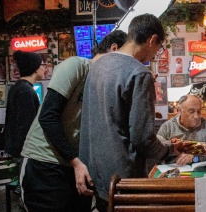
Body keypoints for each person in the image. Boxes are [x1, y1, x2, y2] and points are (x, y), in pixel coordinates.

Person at [79, 14, 182, 212]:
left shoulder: (98, 65)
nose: (155, 55)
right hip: (124, 178)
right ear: (152, 40)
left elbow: (89, 120)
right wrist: (168, 151)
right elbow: (142, 138)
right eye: (158, 48)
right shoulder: (139, 72)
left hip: (96, 171)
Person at [20, 30, 127, 212]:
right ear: (113, 49)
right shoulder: (77, 66)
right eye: (127, 62)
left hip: (75, 166)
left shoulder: (106, 84)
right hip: (46, 164)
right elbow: (48, 116)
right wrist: (76, 162)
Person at [4, 50, 45, 197]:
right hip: (24, 150)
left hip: (19, 148)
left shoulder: (19, 88)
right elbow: (26, 126)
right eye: (42, 65)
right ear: (34, 68)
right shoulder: (26, 92)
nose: (44, 68)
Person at [156, 94, 206, 165]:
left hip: (201, 171)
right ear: (179, 111)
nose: (196, 116)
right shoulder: (167, 127)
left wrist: (194, 158)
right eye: (191, 111)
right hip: (173, 171)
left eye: (199, 111)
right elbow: (156, 153)